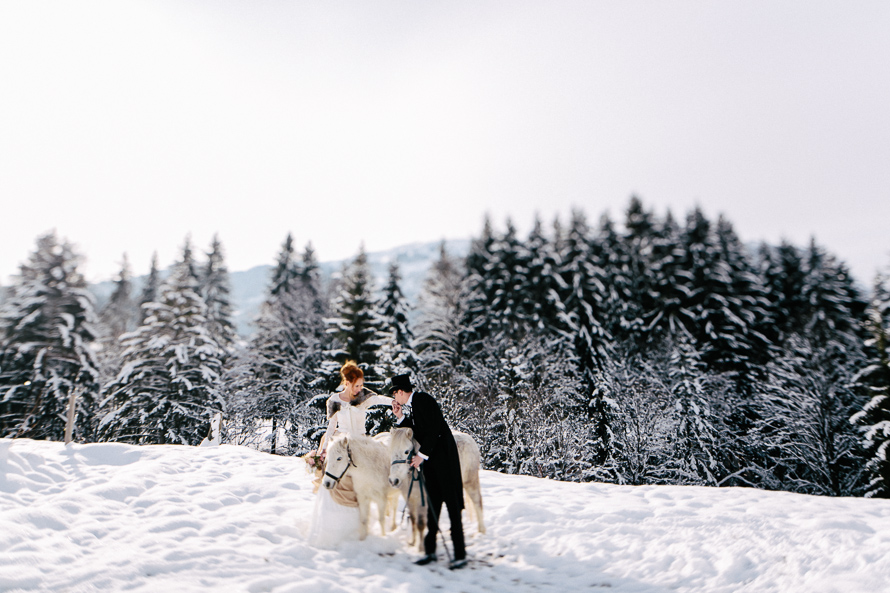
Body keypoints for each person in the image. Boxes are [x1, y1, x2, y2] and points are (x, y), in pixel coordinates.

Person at [306, 361, 393, 547]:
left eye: (361, 385)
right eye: (357, 385)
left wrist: (394, 401)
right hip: (342, 446)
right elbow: (330, 429)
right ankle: (336, 528)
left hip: (361, 446)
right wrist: (322, 451)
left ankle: (362, 526)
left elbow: (379, 399)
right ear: (347, 383)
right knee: (338, 480)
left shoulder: (363, 396)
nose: (360, 388)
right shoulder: (334, 401)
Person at [389, 373, 467, 570]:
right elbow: (418, 431)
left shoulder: (423, 399)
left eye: (394, 394)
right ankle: (431, 551)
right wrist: (400, 417)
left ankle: (460, 554)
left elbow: (434, 430)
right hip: (433, 465)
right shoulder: (415, 406)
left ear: (400, 392)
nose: (394, 399)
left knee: (452, 506)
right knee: (433, 505)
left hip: (445, 463)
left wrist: (421, 456)